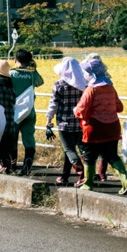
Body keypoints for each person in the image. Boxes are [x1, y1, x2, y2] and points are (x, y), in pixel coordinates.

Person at [74, 58, 127, 195]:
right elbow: (119, 107)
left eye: (87, 72)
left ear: (92, 74)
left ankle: (88, 184)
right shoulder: (111, 88)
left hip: (94, 128)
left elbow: (81, 111)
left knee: (90, 156)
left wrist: (75, 111)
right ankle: (126, 182)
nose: (85, 75)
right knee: (112, 155)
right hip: (112, 127)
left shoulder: (90, 90)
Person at [45, 57, 87, 186]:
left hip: (64, 122)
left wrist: (49, 119)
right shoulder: (84, 85)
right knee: (71, 149)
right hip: (80, 122)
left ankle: (81, 173)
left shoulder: (59, 84)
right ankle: (65, 176)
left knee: (69, 149)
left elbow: (53, 104)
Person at [9, 49, 45, 176]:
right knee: (28, 138)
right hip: (29, 111)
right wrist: (33, 68)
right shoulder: (32, 74)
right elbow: (40, 82)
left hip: (13, 112)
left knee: (12, 139)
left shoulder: (11, 73)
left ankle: (12, 166)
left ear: (15, 60)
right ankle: (27, 166)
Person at [84, 52, 113, 182]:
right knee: (104, 145)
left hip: (92, 113)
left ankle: (88, 176)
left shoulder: (87, 75)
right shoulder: (106, 74)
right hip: (107, 111)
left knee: (90, 147)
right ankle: (102, 173)